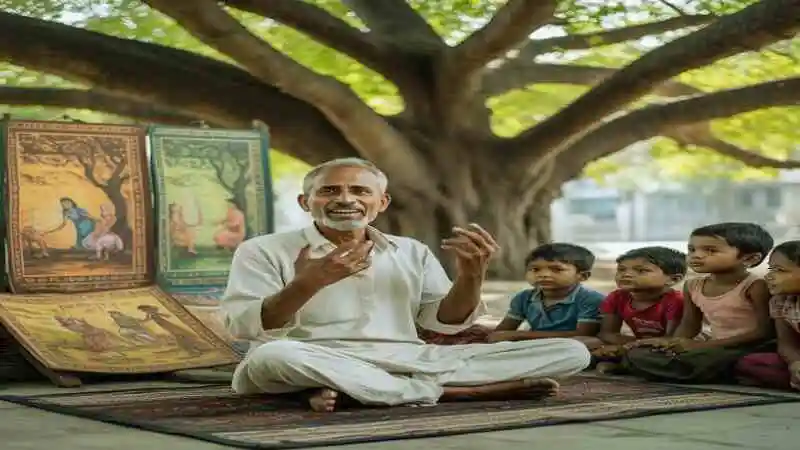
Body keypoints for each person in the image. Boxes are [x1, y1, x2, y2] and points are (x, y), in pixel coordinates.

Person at [221, 158, 591, 412]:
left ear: (380, 203)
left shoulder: (410, 251)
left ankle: (365, 391)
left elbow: (445, 323)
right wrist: (309, 282)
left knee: (573, 352)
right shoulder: (262, 250)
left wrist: (472, 275)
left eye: (360, 191)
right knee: (273, 357)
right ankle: (456, 394)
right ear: (306, 202)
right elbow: (244, 326)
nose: (346, 199)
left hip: (409, 358)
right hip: (313, 356)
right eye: (330, 191)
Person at [623, 222, 775, 384]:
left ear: (749, 258)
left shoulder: (755, 286)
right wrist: (672, 343)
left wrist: (703, 347)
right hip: (713, 347)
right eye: (692, 250)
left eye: (710, 250)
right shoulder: (693, 286)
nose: (696, 255)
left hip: (749, 347)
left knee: (715, 360)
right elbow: (690, 325)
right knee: (639, 352)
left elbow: (764, 332)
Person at [589, 246, 687, 374]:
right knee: (588, 343)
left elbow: (672, 340)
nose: (626, 274)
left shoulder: (676, 301)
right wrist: (630, 345)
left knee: (669, 355)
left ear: (673, 279)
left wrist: (628, 347)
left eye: (641, 271)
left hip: (667, 347)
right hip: (640, 345)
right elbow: (607, 334)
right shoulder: (617, 297)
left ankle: (623, 366)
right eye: (621, 269)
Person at [488, 243, 605, 343]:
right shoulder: (524, 298)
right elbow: (504, 330)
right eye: (535, 269)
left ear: (582, 276)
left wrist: (518, 335)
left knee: (588, 343)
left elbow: (583, 334)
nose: (543, 275)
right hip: (535, 344)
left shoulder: (590, 299)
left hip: (571, 346)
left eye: (557, 269)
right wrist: (489, 333)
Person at [735, 241, 800, 390]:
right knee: (749, 362)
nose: (769, 276)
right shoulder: (781, 301)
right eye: (771, 269)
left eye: (780, 270)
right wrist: (795, 363)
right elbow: (786, 343)